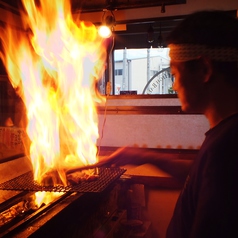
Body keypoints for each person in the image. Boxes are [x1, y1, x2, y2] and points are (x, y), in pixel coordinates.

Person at [97, 10, 238, 238]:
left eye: (174, 73)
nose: (173, 86)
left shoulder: (226, 149)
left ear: (204, 69)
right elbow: (198, 177)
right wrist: (143, 156)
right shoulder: (224, 137)